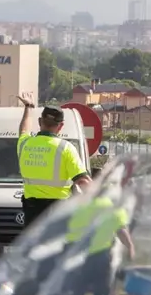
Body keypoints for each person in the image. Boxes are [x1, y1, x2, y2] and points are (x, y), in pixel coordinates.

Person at [16, 91, 93, 230]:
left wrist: (29, 107)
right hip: (58, 213)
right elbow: (83, 181)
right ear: (61, 125)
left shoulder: (24, 144)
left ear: (40, 122)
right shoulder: (66, 148)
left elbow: (23, 130)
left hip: (31, 214)